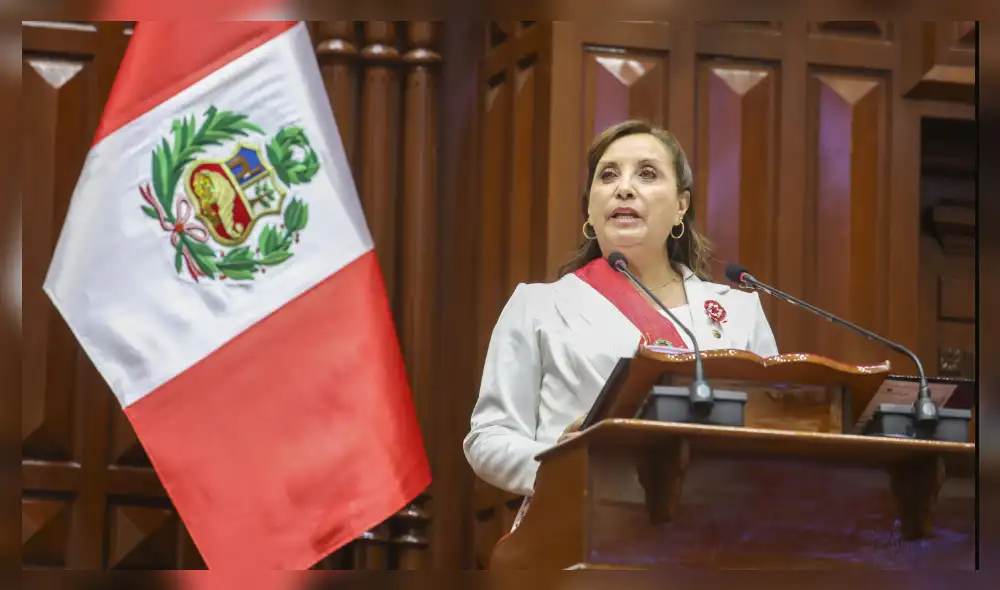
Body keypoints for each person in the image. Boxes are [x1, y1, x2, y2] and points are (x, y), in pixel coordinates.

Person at [463, 119, 779, 507]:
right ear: (590, 207)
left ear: (681, 205)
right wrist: (563, 463)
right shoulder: (539, 306)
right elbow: (489, 438)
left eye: (647, 174)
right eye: (608, 175)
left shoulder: (739, 310)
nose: (624, 188)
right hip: (576, 526)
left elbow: (772, 430)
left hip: (715, 530)